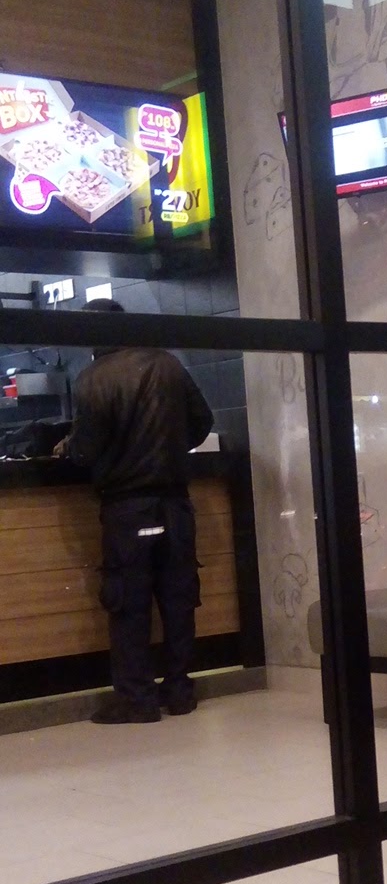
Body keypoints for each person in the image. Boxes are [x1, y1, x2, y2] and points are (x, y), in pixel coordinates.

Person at [59, 300, 214, 723]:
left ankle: (137, 699)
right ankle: (179, 692)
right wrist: (168, 447)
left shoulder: (93, 378)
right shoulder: (168, 364)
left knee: (128, 604)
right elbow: (202, 420)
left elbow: (86, 449)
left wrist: (69, 446)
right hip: (175, 504)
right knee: (178, 599)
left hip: (127, 509)